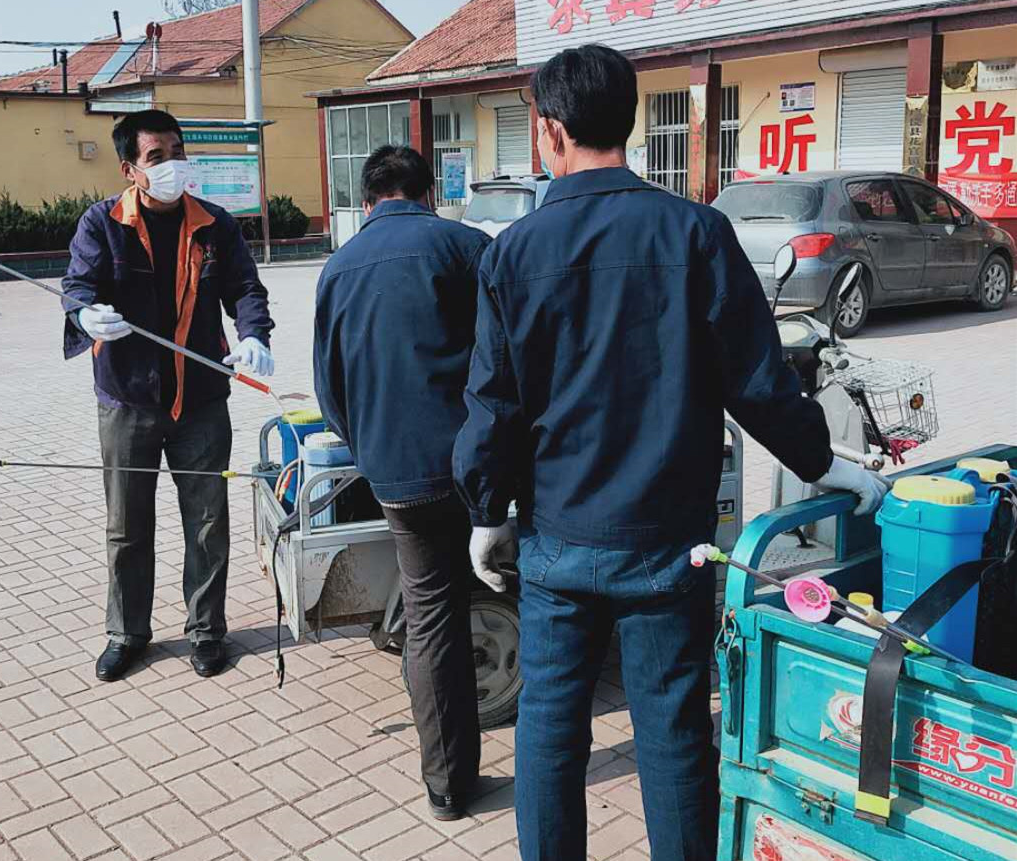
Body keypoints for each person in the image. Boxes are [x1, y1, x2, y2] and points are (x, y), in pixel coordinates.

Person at [452, 45, 889, 861]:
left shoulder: (511, 252)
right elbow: (758, 383)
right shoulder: (695, 231)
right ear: (629, 124)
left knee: (549, 730)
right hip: (667, 541)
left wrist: (484, 512)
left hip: (557, 540)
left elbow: (492, 404)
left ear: (548, 131)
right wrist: (827, 462)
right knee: (675, 730)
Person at [62, 109, 274, 683]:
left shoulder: (215, 225)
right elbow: (77, 284)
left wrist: (254, 335)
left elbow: (245, 288)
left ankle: (206, 631)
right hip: (128, 399)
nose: (173, 165)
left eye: (178, 152)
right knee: (127, 524)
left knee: (207, 521)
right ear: (131, 169)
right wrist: (85, 312)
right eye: (158, 157)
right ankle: (126, 633)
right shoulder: (102, 224)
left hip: (201, 399)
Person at [313, 145, 490, 821]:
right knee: (525, 588)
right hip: (474, 469)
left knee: (431, 613)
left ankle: (446, 785)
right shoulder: (464, 245)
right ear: (426, 195)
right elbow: (505, 358)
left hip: (395, 477)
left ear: (367, 202)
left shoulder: (337, 266)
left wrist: (372, 452)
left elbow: (331, 391)